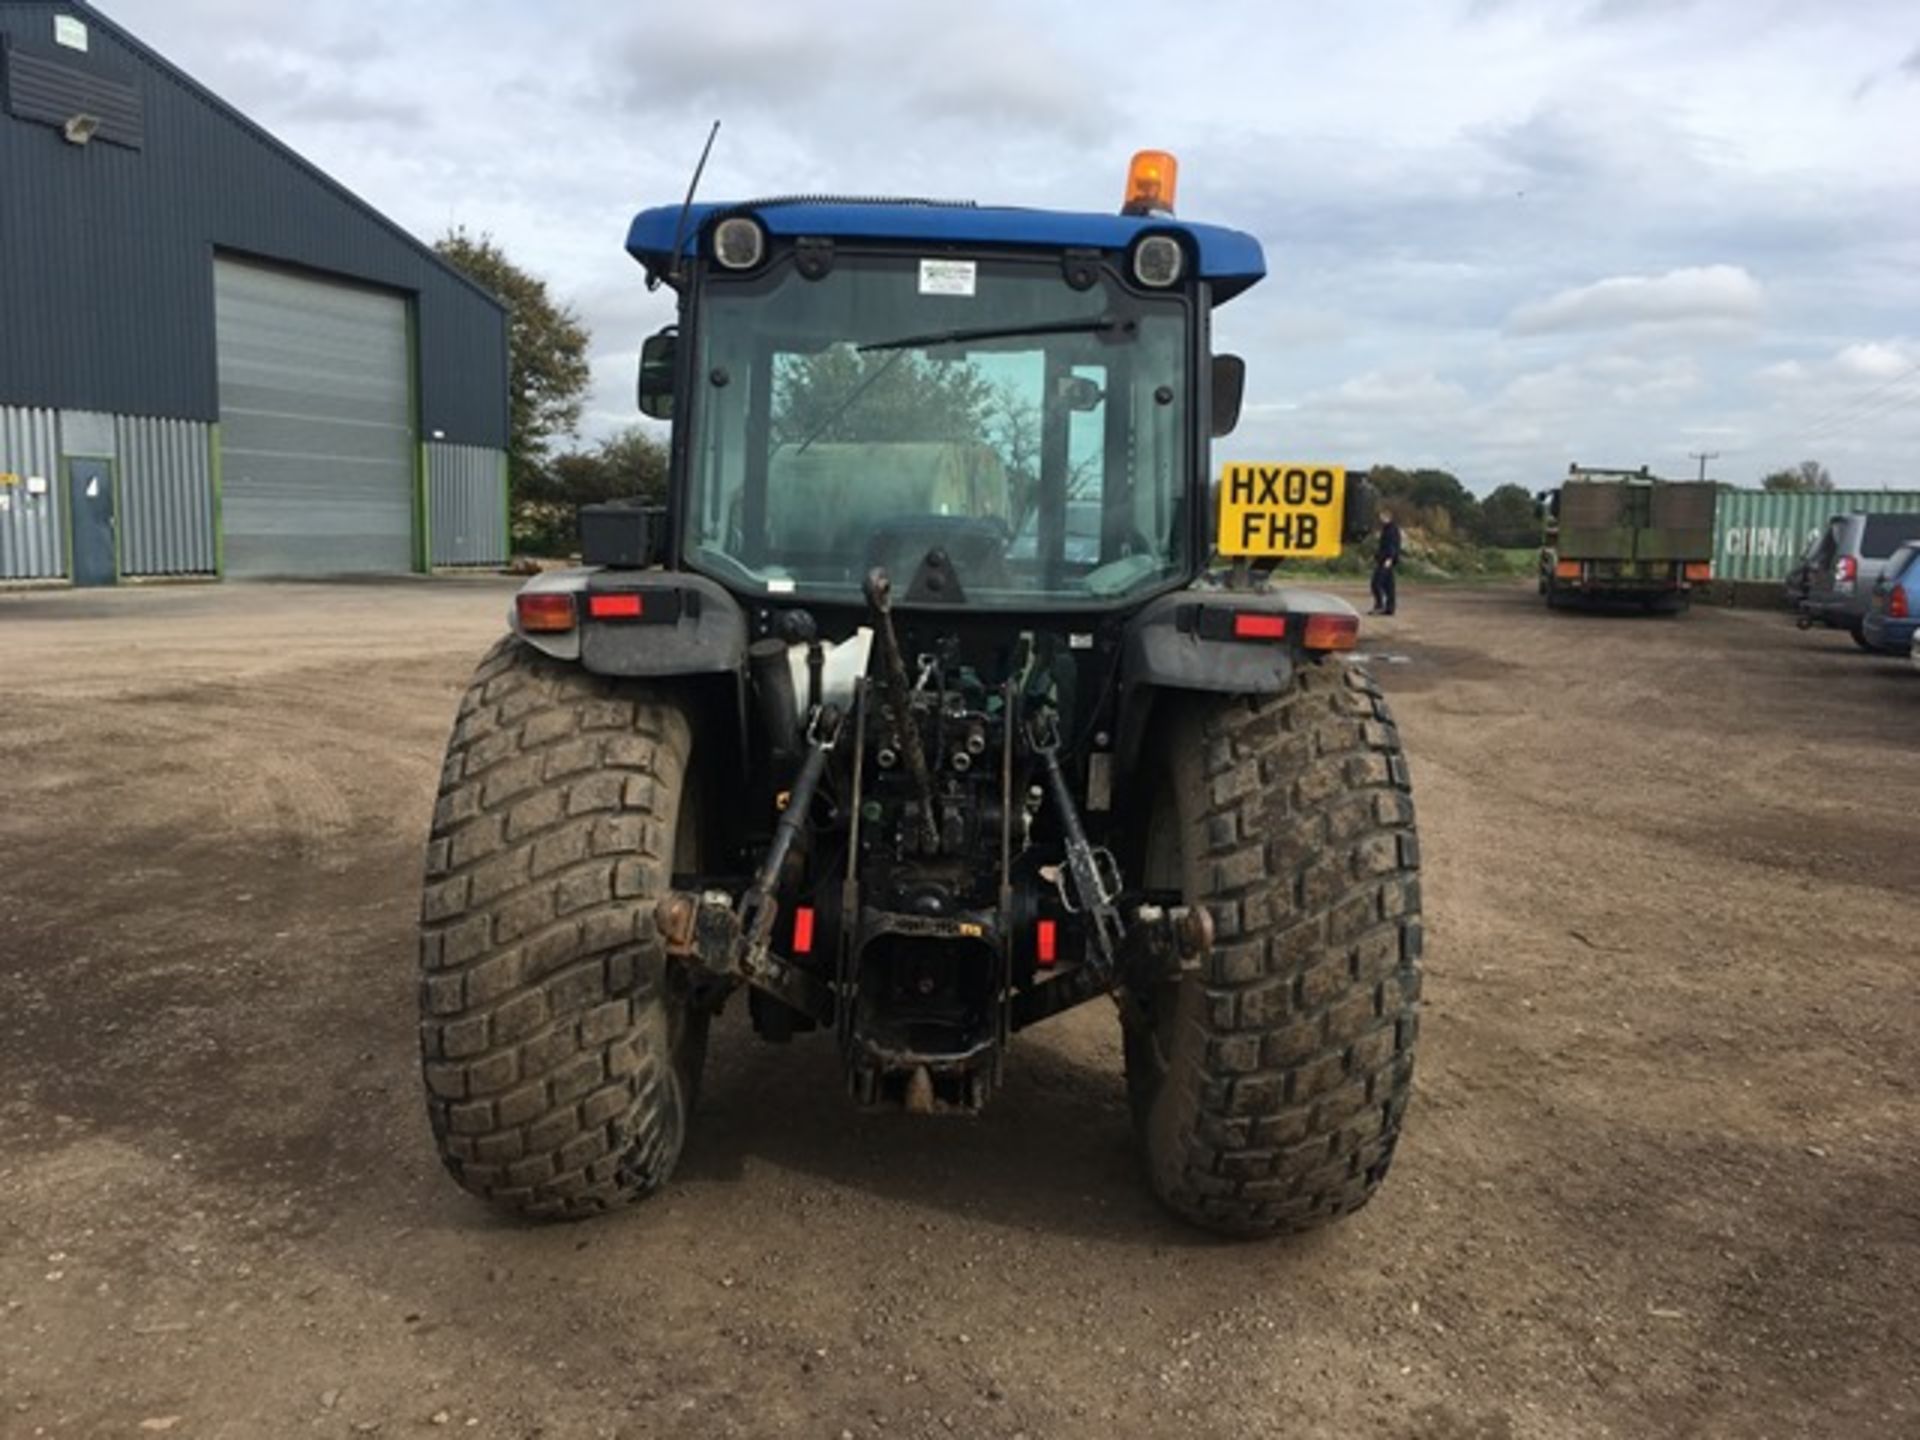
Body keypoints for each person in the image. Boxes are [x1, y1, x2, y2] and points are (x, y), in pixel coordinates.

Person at [1370, 509, 1403, 616]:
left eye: (1382, 517)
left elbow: (1392, 545)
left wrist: (1389, 559)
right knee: (1389, 586)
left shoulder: (1391, 530)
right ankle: (1390, 608)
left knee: (1376, 583)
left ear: (1387, 517)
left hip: (1386, 560)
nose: (1380, 519)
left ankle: (1380, 606)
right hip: (1385, 559)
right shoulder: (1388, 528)